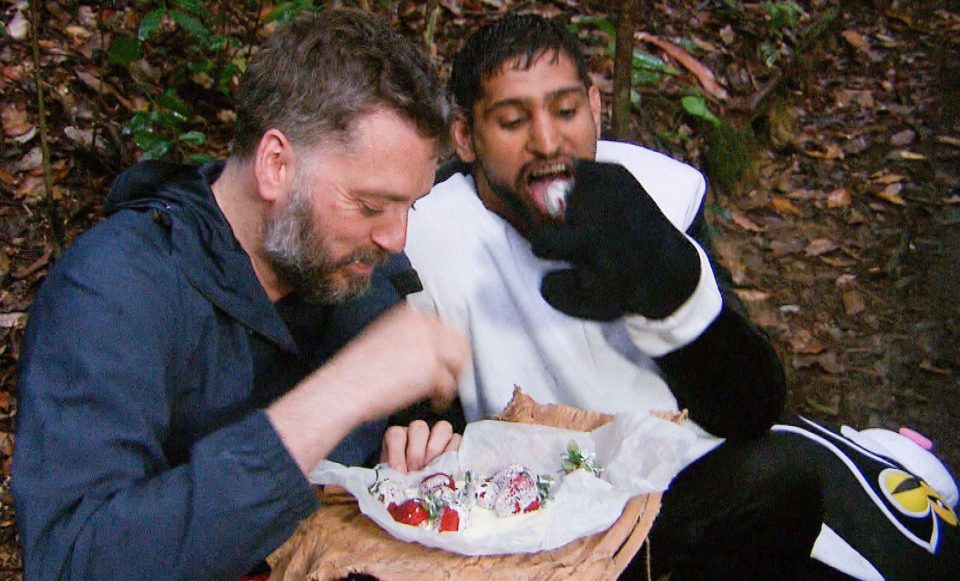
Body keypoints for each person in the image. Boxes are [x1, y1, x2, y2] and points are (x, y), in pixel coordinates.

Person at [404, 13, 958, 579]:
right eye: (512, 121)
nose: (548, 142)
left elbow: (747, 405)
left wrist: (671, 289)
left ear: (595, 109)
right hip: (551, 525)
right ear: (464, 137)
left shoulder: (656, 193)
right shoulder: (421, 242)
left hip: (701, 472)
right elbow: (410, 442)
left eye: (566, 112)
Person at [12, 9, 469, 580]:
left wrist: (418, 442)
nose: (396, 237)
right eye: (372, 205)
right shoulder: (113, 290)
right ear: (276, 165)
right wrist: (334, 399)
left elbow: (408, 433)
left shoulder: (354, 266)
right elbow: (71, 562)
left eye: (411, 205)